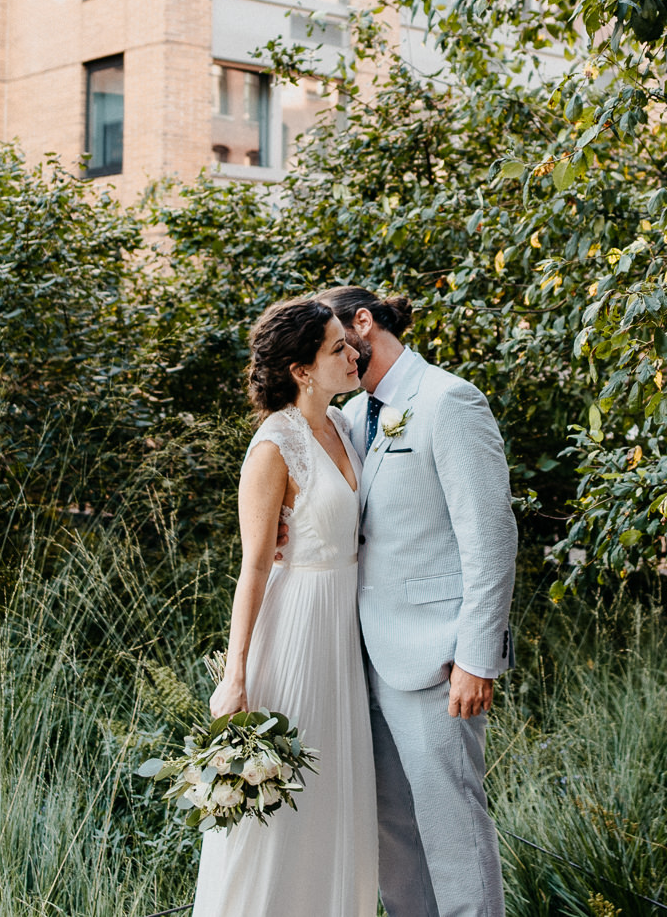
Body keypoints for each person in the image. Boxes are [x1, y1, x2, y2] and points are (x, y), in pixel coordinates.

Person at [318, 285, 518, 917]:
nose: (332, 357)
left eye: (332, 340)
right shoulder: (350, 420)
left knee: (452, 830)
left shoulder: (449, 400)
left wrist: (477, 658)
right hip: (363, 658)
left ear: (363, 323)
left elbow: (489, 538)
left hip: (436, 660)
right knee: (392, 836)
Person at [194, 298, 377, 916]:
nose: (354, 354)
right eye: (336, 349)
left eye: (348, 346)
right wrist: (234, 676)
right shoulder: (274, 446)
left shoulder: (350, 426)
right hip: (295, 629)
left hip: (343, 637)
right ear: (301, 369)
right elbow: (252, 567)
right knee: (281, 813)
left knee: (332, 802)